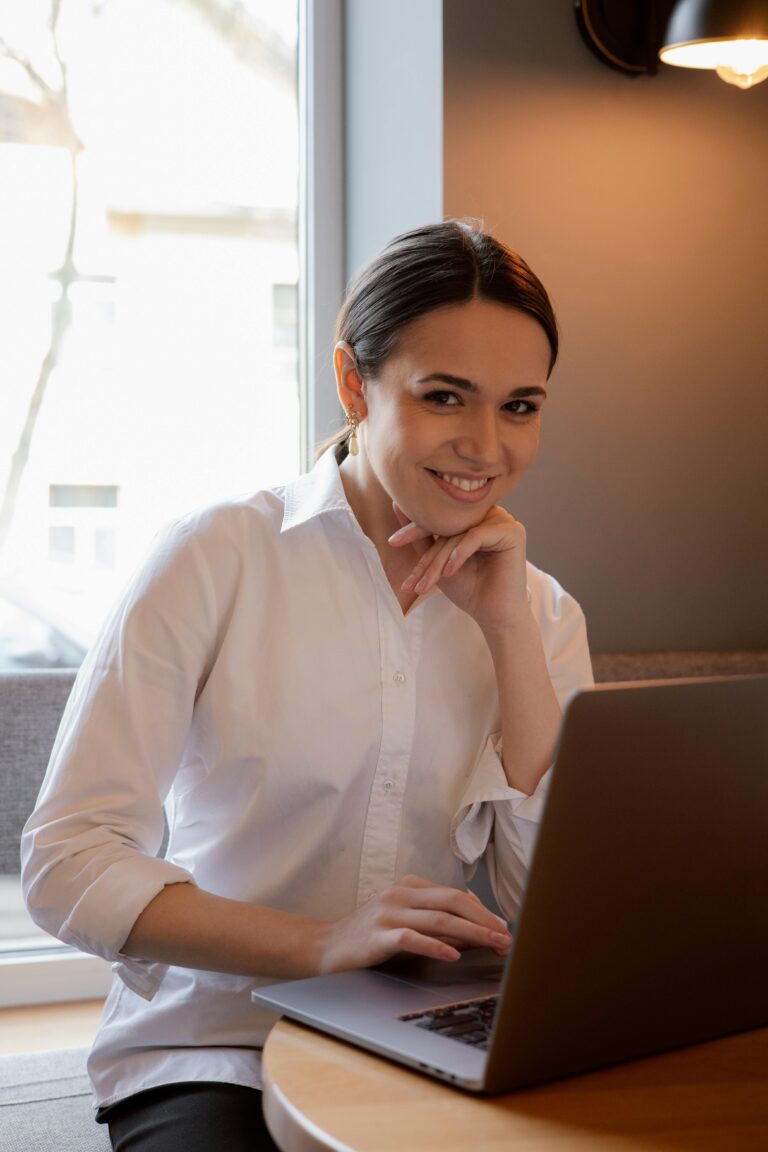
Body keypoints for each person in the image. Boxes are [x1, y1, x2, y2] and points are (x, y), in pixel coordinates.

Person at [21, 220, 593, 1151]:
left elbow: (551, 914)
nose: (486, 447)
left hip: (424, 1036)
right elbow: (67, 861)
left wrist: (507, 631)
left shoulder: (542, 613)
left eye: (520, 406)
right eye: (444, 396)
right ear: (353, 383)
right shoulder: (218, 556)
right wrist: (321, 943)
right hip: (220, 1045)